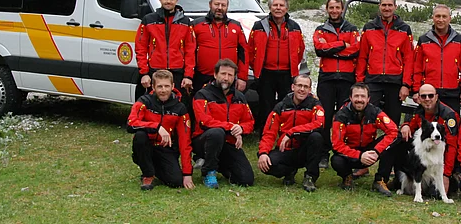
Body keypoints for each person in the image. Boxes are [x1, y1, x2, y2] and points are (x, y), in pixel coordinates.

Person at [191, 59, 255, 188]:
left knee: (246, 179)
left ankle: (217, 165)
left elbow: (250, 121)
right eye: (223, 74)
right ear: (215, 75)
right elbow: (205, 121)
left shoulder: (239, 97)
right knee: (216, 132)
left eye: (230, 75)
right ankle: (208, 172)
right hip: (204, 140)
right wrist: (231, 127)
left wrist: (241, 129)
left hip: (229, 142)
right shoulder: (202, 94)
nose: (226, 78)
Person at [126, 70, 194, 191]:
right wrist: (157, 127)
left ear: (173, 86)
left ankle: (153, 167)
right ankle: (147, 174)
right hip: (147, 145)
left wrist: (187, 174)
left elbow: (185, 141)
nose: (163, 90)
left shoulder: (180, 108)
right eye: (160, 86)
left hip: (166, 149)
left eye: (167, 86)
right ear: (153, 87)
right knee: (140, 136)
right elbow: (131, 124)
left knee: (176, 181)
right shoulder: (144, 101)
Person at [257, 74, 325, 192]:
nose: (302, 89)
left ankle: (310, 177)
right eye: (299, 85)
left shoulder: (315, 105)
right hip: (285, 150)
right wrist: (263, 152)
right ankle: (289, 171)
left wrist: (292, 132)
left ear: (309, 90)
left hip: (305, 150)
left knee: (316, 137)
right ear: (293, 87)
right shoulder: (281, 106)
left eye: (305, 87)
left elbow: (319, 124)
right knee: (267, 165)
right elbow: (269, 132)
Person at [313, 0, 359, 168]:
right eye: (331, 7)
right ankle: (324, 153)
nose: (334, 11)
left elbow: (355, 49)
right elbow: (319, 49)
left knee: (344, 116)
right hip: (327, 78)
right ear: (327, 9)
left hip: (347, 78)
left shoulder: (352, 29)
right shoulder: (320, 29)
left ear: (342, 9)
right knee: (324, 116)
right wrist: (342, 44)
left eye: (337, 7)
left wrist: (331, 48)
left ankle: (342, 151)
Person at [249, 0, 305, 131]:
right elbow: (250, 49)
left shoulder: (295, 27)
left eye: (281, 5)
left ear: (286, 8)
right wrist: (256, 66)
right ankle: (265, 131)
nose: (278, 8)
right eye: (275, 5)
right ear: (269, 7)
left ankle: (283, 130)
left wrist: (292, 66)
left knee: (285, 103)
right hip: (266, 72)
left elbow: (300, 49)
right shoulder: (259, 26)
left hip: (287, 73)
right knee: (265, 104)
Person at [356, 0, 413, 127]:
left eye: (389, 5)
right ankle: (365, 147)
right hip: (372, 80)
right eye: (384, 5)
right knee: (367, 119)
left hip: (395, 82)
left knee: (392, 123)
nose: (386, 8)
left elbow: (409, 59)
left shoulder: (404, 29)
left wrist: (406, 85)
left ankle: (390, 148)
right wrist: (359, 82)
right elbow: (362, 56)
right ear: (379, 6)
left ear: (395, 7)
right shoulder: (369, 27)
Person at [331, 83, 399, 196]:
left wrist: (377, 151)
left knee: (395, 140)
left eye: (363, 96)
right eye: (356, 96)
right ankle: (347, 176)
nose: (359, 99)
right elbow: (337, 145)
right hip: (351, 155)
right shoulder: (341, 115)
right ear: (350, 97)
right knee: (336, 160)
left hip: (371, 151)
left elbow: (393, 131)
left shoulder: (375, 112)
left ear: (368, 99)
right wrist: (359, 156)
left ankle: (380, 180)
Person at [398, 84, 459, 194]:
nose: (427, 99)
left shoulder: (448, 115)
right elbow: (411, 125)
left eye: (430, 96)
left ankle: (452, 178)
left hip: (441, 162)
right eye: (424, 96)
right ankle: (400, 177)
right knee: (399, 139)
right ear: (419, 98)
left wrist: (446, 174)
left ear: (436, 97)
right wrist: (405, 125)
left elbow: (452, 147)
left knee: (434, 194)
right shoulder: (419, 111)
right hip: (426, 158)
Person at [135, 0, 195, 95]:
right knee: (152, 107)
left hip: (177, 73)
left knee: (178, 107)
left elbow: (190, 51)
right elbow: (140, 48)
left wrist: (188, 76)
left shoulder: (186, 22)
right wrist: (144, 73)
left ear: (176, 1)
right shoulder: (148, 20)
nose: (168, 1)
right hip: (154, 71)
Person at [412, 4, 461, 112]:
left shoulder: (459, 40)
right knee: (428, 126)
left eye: (444, 16)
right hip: (429, 94)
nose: (441, 20)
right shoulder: (424, 40)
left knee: (451, 126)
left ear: (450, 18)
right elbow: (417, 68)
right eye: (438, 16)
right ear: (433, 18)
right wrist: (416, 90)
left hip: (452, 92)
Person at [192, 0, 248, 95]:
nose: (219, 8)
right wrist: (189, 76)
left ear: (227, 6)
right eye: (216, 4)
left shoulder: (236, 26)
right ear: (210, 4)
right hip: (202, 77)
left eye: (223, 5)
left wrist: (242, 77)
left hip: (228, 78)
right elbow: (189, 52)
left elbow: (244, 53)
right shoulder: (196, 24)